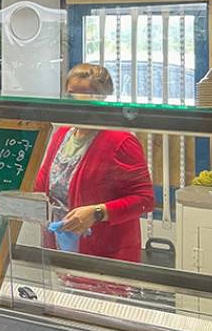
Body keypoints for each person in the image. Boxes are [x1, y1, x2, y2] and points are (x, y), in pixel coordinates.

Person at [34, 64, 154, 262]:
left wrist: (97, 213)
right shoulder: (62, 134)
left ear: (102, 99)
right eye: (72, 95)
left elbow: (144, 200)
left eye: (86, 97)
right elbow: (42, 183)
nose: (77, 104)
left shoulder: (121, 141)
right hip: (57, 247)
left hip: (104, 256)